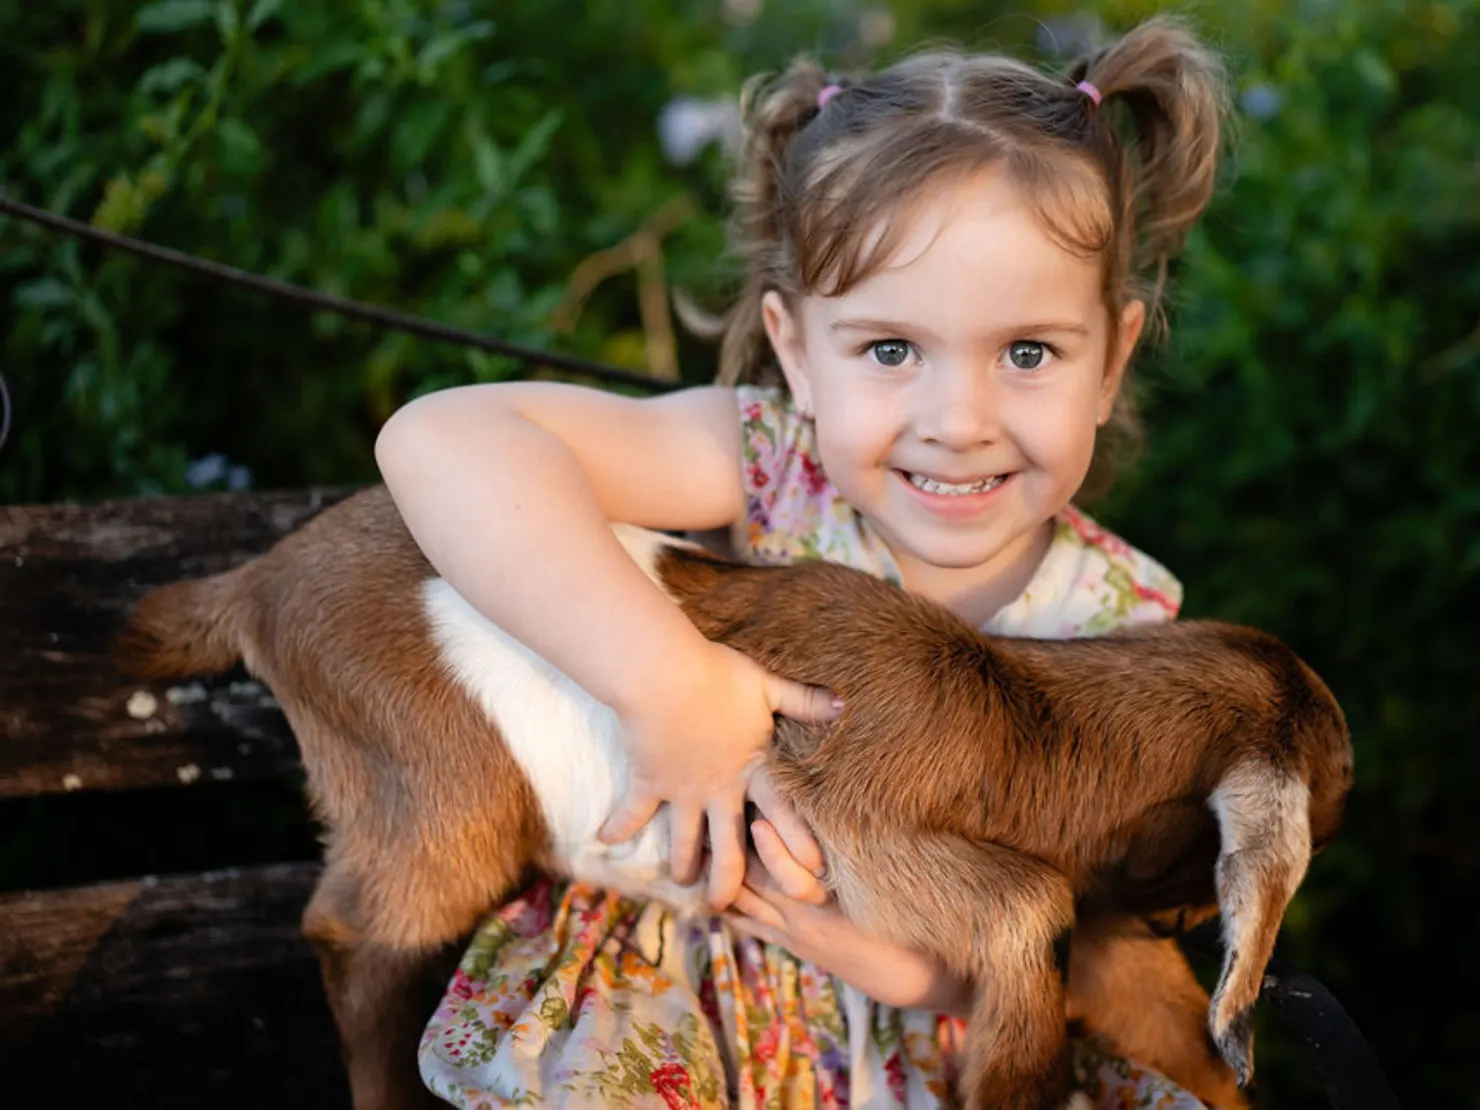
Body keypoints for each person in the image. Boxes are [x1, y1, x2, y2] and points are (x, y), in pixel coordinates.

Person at [379, 14, 1230, 1107]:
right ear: (795, 351)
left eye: (1028, 353)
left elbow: (1107, 924)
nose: (957, 420)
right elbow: (437, 441)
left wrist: (934, 974)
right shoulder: (769, 467)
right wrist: (667, 684)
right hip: (692, 1006)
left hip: (950, 1058)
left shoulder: (1120, 628)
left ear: (1109, 360)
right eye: (888, 350)